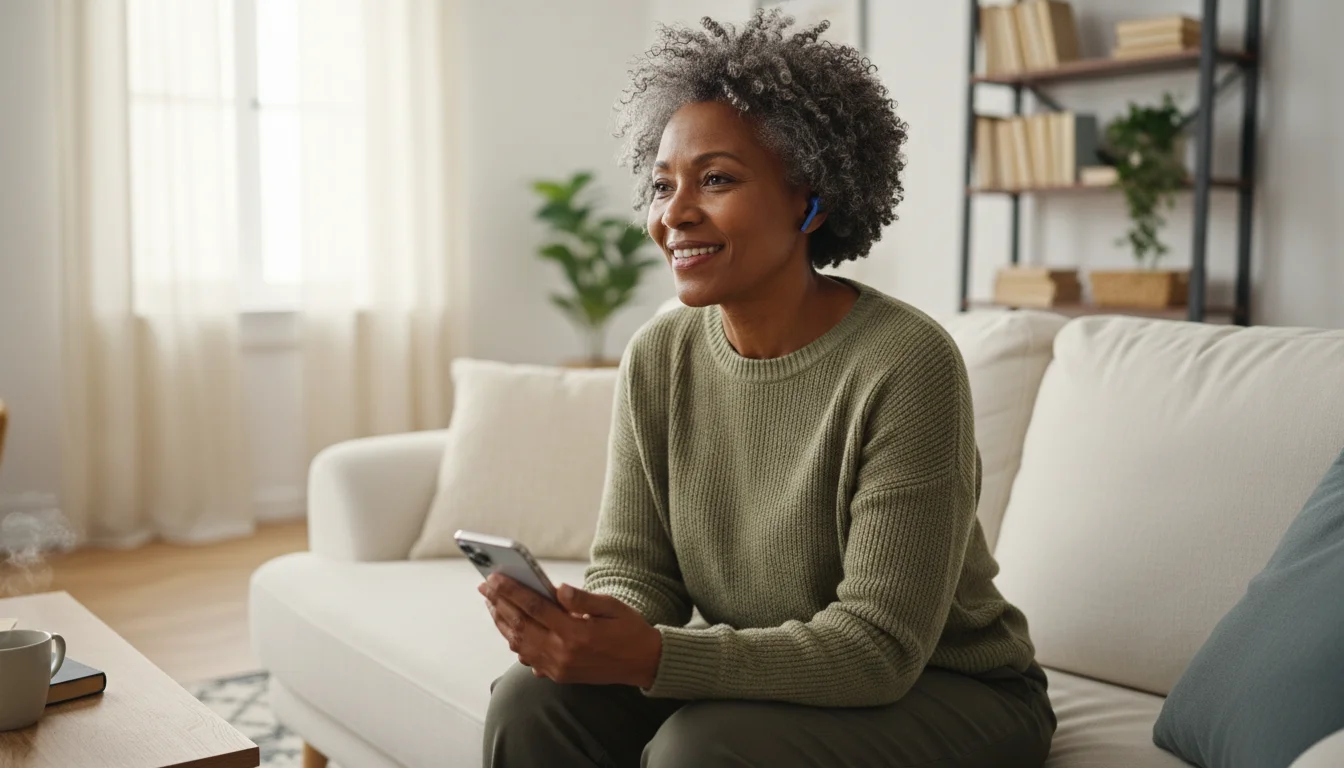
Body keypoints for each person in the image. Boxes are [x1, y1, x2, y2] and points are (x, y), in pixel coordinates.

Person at [478, 10, 1057, 767]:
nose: (674, 215)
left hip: (951, 691)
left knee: (702, 748)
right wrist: (592, 626)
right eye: (661, 185)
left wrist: (655, 657)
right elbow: (638, 568)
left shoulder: (906, 363)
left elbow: (878, 648)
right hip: (779, 673)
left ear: (808, 198)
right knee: (532, 702)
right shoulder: (660, 355)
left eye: (715, 179)